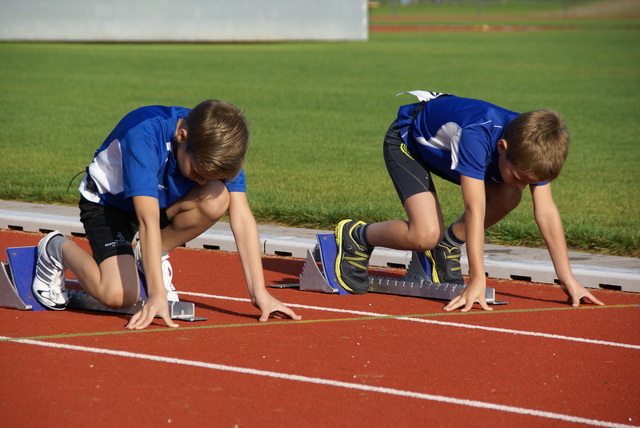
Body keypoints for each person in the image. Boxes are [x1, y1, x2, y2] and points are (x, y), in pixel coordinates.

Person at [32, 99, 302, 329]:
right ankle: (54, 248)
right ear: (181, 136)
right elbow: (147, 222)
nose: (199, 182)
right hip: (109, 205)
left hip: (161, 204)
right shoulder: (145, 133)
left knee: (217, 198)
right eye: (197, 172)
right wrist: (157, 293)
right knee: (118, 296)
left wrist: (259, 292)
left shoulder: (221, 147)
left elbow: (242, 219)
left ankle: (148, 256)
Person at [334, 90, 604, 311]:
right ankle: (357, 236)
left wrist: (568, 279)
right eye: (521, 176)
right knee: (425, 234)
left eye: (531, 181)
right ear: (503, 148)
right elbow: (475, 208)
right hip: (408, 144)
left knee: (510, 194)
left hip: (450, 152)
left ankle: (445, 247)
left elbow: (546, 212)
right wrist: (477, 279)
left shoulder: (535, 148)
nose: (525, 185)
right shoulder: (477, 135)